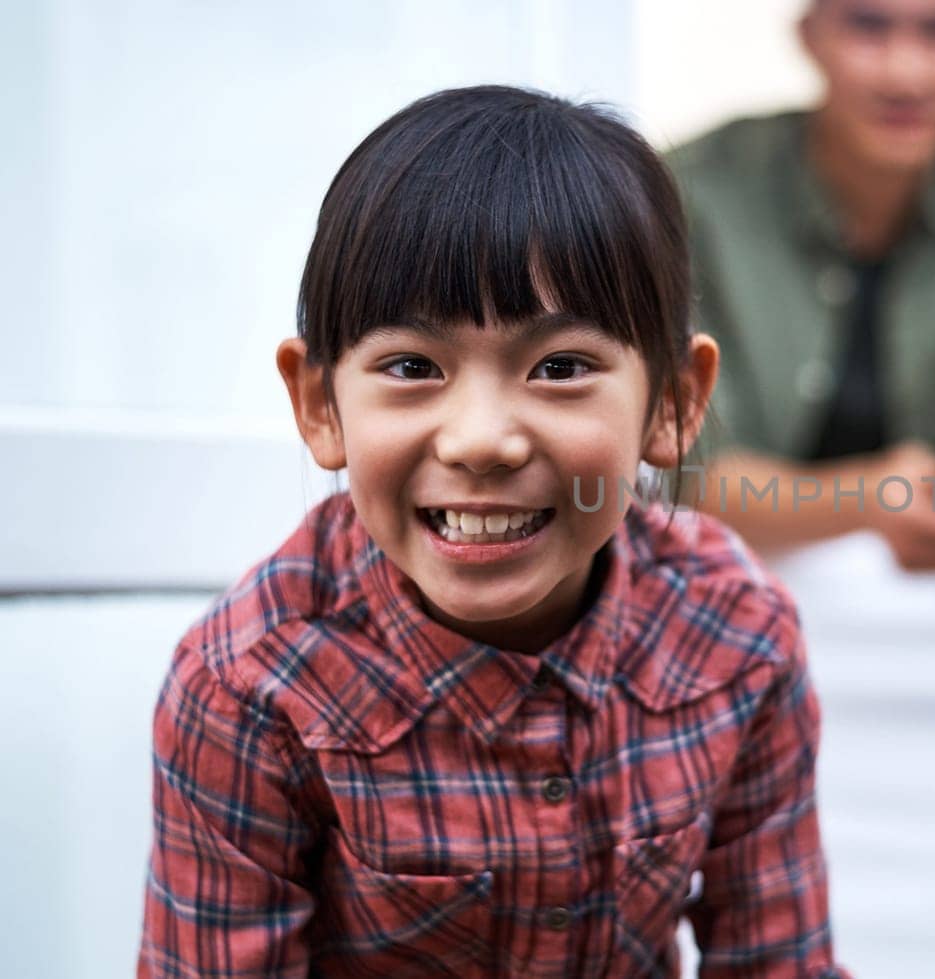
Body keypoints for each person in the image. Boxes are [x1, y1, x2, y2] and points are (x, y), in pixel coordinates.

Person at [138, 87, 848, 978]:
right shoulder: (250, 688)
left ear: (673, 404)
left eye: (560, 367)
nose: (480, 440)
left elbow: (777, 962)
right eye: (411, 366)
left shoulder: (735, 636)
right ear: (321, 405)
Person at [669, 0, 935, 577]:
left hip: (932, 610)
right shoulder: (693, 197)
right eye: (869, 27)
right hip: (725, 585)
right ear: (810, 37)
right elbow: (684, 475)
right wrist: (866, 498)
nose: (906, 75)